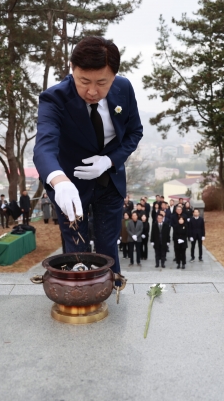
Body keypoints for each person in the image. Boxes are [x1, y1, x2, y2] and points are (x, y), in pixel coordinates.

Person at [33, 36, 143, 279]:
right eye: (84, 81)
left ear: (114, 76)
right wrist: (58, 180)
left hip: (109, 183)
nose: (92, 91)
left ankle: (112, 287)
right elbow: (44, 147)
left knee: (108, 243)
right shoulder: (55, 99)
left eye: (102, 83)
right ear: (72, 70)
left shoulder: (123, 89)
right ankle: (78, 293)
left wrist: (110, 160)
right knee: (76, 246)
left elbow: (135, 132)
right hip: (70, 186)